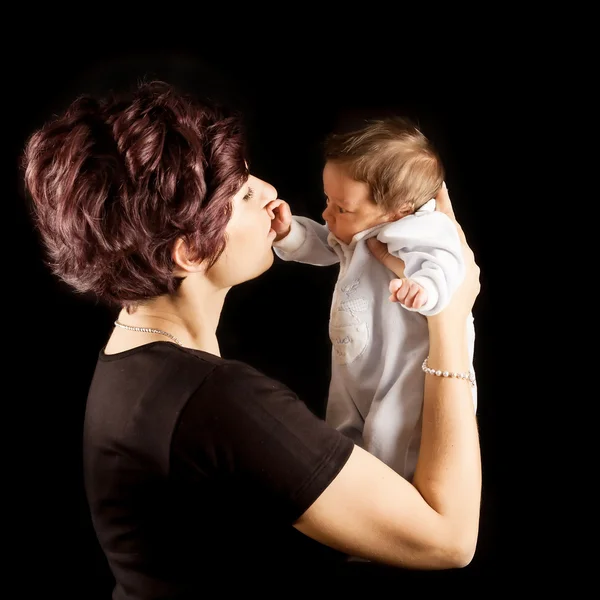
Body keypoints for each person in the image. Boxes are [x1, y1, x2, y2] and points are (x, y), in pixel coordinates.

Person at [21, 80, 481, 595]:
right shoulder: (221, 402)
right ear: (190, 252)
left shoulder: (129, 362)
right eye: (242, 193)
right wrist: (450, 317)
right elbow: (450, 539)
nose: (268, 191)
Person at [271, 117, 477, 480]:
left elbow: (445, 260)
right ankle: (352, 485)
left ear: (399, 209)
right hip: (359, 363)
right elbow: (324, 243)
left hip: (408, 367)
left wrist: (424, 288)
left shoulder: (422, 226)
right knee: (344, 426)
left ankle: (390, 495)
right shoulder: (362, 228)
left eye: (341, 208)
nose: (326, 214)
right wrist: (289, 232)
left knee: (393, 435)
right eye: (327, 201)